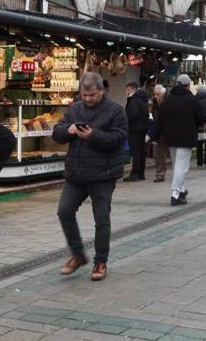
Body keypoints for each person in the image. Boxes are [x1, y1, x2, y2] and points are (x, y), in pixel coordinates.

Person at [53, 72, 127, 281]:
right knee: (64, 212)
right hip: (75, 173)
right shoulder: (75, 108)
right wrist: (67, 130)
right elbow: (57, 133)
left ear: (102, 91)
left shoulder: (115, 110)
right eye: (84, 95)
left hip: (103, 174)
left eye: (92, 95)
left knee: (101, 218)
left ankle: (100, 261)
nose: (87, 99)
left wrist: (93, 136)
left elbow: (119, 138)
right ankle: (77, 255)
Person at [155, 74, 206, 206]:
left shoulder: (168, 100)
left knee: (176, 165)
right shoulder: (192, 100)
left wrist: (153, 135)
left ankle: (182, 190)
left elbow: (160, 119)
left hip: (170, 138)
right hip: (186, 137)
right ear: (188, 85)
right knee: (181, 166)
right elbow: (201, 118)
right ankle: (176, 194)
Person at [123, 82, 149, 182]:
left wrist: (127, 121)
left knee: (136, 152)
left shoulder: (134, 101)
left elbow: (133, 115)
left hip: (134, 129)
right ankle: (141, 173)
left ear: (133, 90)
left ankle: (135, 173)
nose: (127, 92)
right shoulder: (143, 100)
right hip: (143, 129)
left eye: (128, 90)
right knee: (141, 151)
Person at [149, 85, 167, 182]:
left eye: (158, 94)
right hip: (158, 133)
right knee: (158, 155)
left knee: (169, 154)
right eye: (155, 94)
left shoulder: (168, 103)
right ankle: (160, 174)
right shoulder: (155, 105)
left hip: (168, 132)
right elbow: (156, 121)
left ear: (163, 94)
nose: (156, 96)